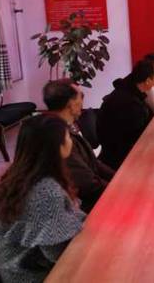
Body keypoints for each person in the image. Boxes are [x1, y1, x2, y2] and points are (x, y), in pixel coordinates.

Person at [0, 115, 85, 283]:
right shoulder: (45, 192)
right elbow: (58, 255)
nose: (71, 140)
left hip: (12, 270)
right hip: (29, 276)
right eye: (67, 136)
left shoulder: (23, 175)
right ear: (56, 147)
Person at [43, 79, 115, 213]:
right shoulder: (59, 136)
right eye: (81, 96)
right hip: (84, 206)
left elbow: (93, 163)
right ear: (70, 104)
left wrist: (117, 178)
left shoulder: (68, 126)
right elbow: (86, 183)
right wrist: (117, 190)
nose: (82, 101)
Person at [97, 59, 154, 170]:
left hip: (111, 151)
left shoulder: (126, 89)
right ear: (148, 81)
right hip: (120, 160)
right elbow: (142, 139)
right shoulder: (131, 105)